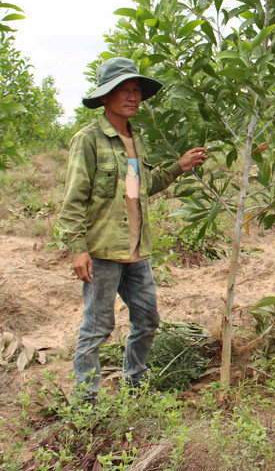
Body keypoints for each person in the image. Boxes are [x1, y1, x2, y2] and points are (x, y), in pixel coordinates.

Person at [59, 57, 207, 397]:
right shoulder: (89, 139)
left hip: (136, 250)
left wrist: (179, 166)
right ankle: (86, 401)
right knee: (98, 328)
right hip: (103, 251)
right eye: (123, 90)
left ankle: (135, 385)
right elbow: (74, 199)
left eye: (136, 90)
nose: (132, 96)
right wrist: (78, 248)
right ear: (105, 96)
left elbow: (140, 186)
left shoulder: (135, 139)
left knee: (147, 320)